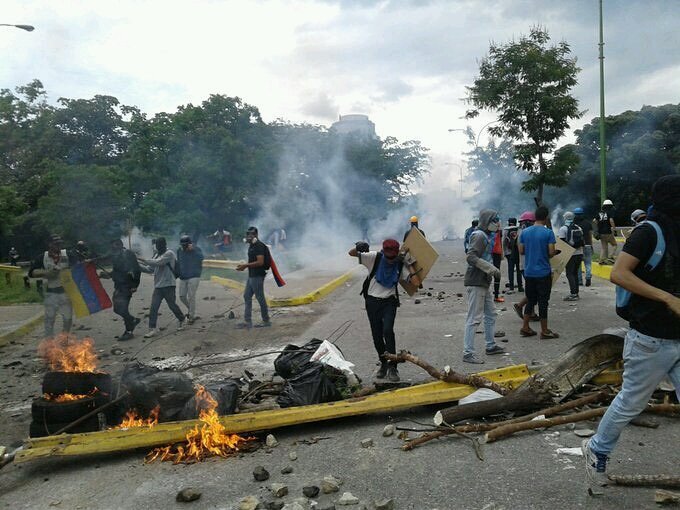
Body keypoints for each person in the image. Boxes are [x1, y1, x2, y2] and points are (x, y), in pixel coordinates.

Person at [582, 175, 680, 489]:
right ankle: (597, 448)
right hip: (649, 338)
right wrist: (666, 298)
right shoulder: (648, 233)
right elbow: (618, 273)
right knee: (631, 402)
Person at [349, 238, 421, 380]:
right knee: (377, 336)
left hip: (389, 302)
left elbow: (416, 283)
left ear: (396, 254)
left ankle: (393, 367)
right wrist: (359, 247)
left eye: (392, 257)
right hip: (372, 302)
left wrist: (409, 263)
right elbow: (351, 253)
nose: (389, 260)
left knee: (387, 331)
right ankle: (383, 363)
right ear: (383, 252)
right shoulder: (374, 257)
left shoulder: (400, 264)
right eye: (387, 257)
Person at [462, 209, 506, 364]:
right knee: (474, 318)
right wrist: (491, 268)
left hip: (483, 281)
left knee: (491, 314)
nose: (498, 223)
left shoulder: (486, 235)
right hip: (476, 281)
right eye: (495, 220)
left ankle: (490, 345)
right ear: (488, 221)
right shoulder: (479, 235)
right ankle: (468, 353)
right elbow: (471, 257)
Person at [518, 206, 559, 339]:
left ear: (535, 217)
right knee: (543, 302)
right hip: (543, 272)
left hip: (529, 272)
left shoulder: (524, 232)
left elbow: (521, 251)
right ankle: (545, 330)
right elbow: (551, 252)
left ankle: (525, 327)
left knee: (530, 300)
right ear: (546, 218)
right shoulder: (548, 233)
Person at [138, 237, 186, 338]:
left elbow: (158, 262)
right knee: (153, 307)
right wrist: (136, 265)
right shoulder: (156, 254)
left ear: (164, 244)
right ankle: (152, 328)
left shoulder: (169, 254)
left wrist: (141, 259)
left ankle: (182, 319)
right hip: (158, 286)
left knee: (172, 305)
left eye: (160, 244)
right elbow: (150, 269)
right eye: (157, 244)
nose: (158, 246)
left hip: (169, 285)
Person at [28, 235, 73, 338]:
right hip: (51, 292)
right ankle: (49, 342)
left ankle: (64, 338)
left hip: (66, 292)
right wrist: (47, 273)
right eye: (56, 243)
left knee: (67, 318)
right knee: (49, 318)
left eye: (60, 243)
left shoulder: (68, 254)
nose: (59, 246)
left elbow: (79, 267)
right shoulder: (42, 257)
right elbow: (31, 273)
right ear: (49, 244)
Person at [236, 227, 271, 329]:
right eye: (248, 235)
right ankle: (248, 321)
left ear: (256, 235)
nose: (249, 237)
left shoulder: (258, 245)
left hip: (257, 275)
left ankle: (266, 320)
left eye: (251, 235)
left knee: (260, 298)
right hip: (252, 275)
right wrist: (245, 266)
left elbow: (260, 262)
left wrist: (246, 265)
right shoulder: (251, 246)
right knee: (247, 296)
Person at [108, 239, 142, 341]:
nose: (114, 248)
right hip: (118, 286)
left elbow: (137, 269)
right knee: (117, 309)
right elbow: (116, 271)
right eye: (113, 247)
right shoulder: (115, 256)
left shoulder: (128, 254)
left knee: (123, 308)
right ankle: (133, 320)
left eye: (116, 246)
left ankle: (129, 331)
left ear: (120, 245)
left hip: (127, 286)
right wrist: (109, 275)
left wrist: (135, 284)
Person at [177, 235, 204, 324]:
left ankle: (191, 316)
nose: (183, 247)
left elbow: (202, 258)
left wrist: (193, 250)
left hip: (194, 275)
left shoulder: (196, 249)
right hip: (183, 276)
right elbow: (179, 262)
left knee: (191, 296)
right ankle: (191, 309)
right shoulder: (179, 251)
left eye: (185, 245)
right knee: (182, 296)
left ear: (189, 244)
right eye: (182, 245)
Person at [558, 211, 584, 301]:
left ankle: (573, 294)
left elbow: (561, 243)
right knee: (575, 273)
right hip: (579, 253)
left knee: (569, 274)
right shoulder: (579, 227)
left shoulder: (563, 229)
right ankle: (576, 293)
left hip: (570, 254)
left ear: (565, 218)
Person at [574, 207, 594, 287]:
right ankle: (588, 276)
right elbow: (590, 235)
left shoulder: (573, 224)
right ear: (582, 214)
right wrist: (591, 245)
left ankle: (579, 281)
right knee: (588, 263)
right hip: (588, 245)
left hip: (578, 247)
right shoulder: (587, 223)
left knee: (578, 264)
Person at [594, 199, 617, 263]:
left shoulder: (599, 213)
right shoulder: (610, 212)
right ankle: (610, 256)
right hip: (608, 232)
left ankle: (601, 260)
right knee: (614, 245)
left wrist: (599, 225)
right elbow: (611, 220)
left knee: (604, 247)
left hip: (601, 233)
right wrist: (614, 229)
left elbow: (594, 221)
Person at [503, 218, 523, 292]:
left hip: (509, 253)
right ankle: (520, 286)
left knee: (510, 269)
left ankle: (511, 287)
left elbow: (504, 242)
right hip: (517, 252)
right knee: (519, 269)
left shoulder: (506, 230)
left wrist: (504, 252)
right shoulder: (519, 229)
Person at [491, 226, 504, 302]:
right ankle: (495, 296)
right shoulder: (498, 230)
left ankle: (495, 295)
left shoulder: (487, 230)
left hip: (494, 252)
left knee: (495, 274)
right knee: (496, 274)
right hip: (495, 252)